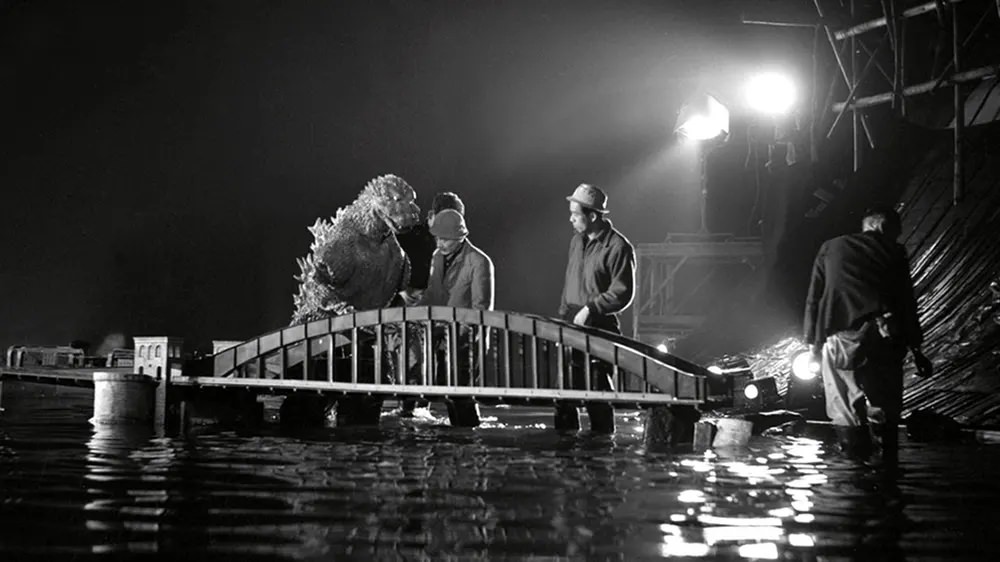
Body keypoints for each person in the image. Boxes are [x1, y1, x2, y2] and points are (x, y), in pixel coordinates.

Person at [804, 206, 933, 463]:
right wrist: (917, 350)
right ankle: (888, 471)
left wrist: (812, 346)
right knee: (886, 406)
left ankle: (854, 472)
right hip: (885, 336)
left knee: (844, 407)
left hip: (842, 337)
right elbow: (907, 302)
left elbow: (813, 299)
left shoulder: (831, 247)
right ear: (885, 228)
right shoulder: (895, 251)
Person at [557, 183, 636, 433]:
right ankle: (565, 447)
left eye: (575, 214)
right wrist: (561, 315)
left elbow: (623, 292)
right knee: (562, 394)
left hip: (599, 324)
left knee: (597, 393)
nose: (571, 219)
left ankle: (602, 449)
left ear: (592, 216)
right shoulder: (576, 242)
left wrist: (591, 308)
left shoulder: (617, 247)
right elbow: (569, 281)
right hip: (572, 321)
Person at [419, 209, 495, 426]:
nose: (439, 244)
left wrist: (462, 337)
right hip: (440, 337)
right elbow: (433, 294)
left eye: (445, 239)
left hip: (465, 341)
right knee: (445, 392)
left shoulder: (479, 261)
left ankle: (469, 437)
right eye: (437, 238)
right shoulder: (437, 258)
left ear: (460, 237)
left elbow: (481, 308)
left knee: (462, 395)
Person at [395, 192, 466, 306]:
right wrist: (401, 291)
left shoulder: (456, 248)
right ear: (432, 215)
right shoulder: (404, 237)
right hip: (397, 309)